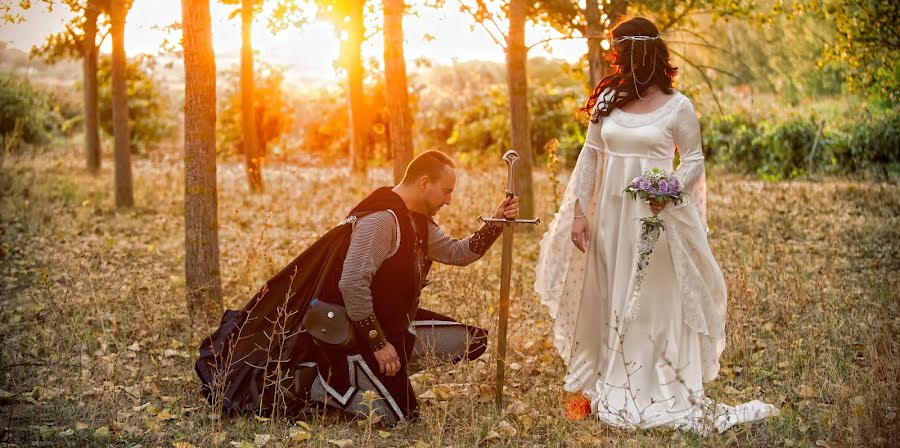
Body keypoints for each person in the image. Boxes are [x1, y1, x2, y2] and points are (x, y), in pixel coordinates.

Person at [534, 17, 777, 434]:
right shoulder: (608, 99)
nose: (620, 62)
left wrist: (669, 190)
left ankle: (654, 379)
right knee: (611, 292)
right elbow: (590, 156)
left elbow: (695, 160)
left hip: (656, 219)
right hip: (610, 219)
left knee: (651, 298)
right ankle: (611, 375)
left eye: (624, 55)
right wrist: (579, 212)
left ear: (644, 55)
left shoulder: (679, 106)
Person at [196, 150, 519, 425]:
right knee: (402, 417)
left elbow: (457, 253)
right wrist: (379, 343)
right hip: (353, 337)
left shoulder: (417, 219)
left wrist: (495, 222)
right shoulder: (382, 220)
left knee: (471, 341)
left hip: (394, 328)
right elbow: (351, 284)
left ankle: (382, 375)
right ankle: (321, 384)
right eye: (446, 191)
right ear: (424, 183)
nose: (448, 201)